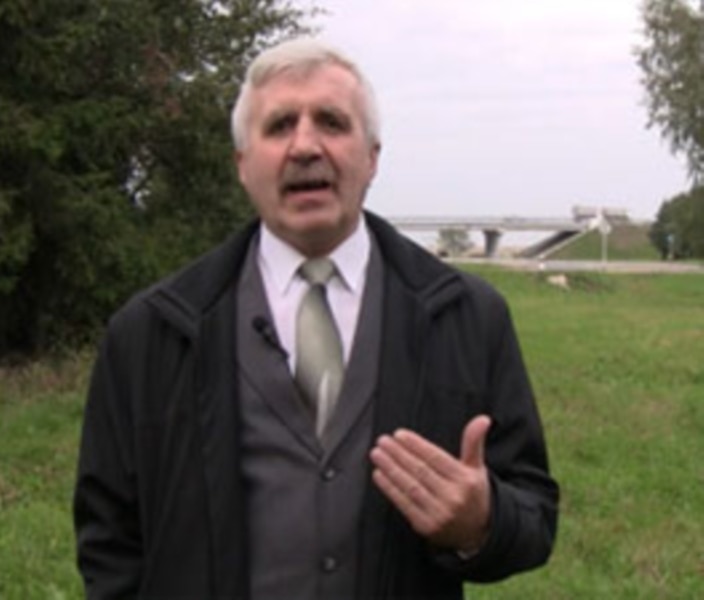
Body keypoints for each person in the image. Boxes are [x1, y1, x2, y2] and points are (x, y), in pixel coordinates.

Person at [73, 37, 559, 599]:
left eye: (331, 122)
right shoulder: (149, 334)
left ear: (372, 156)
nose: (305, 145)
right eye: (279, 125)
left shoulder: (468, 318)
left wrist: (483, 523)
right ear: (242, 164)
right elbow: (108, 542)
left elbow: (534, 514)